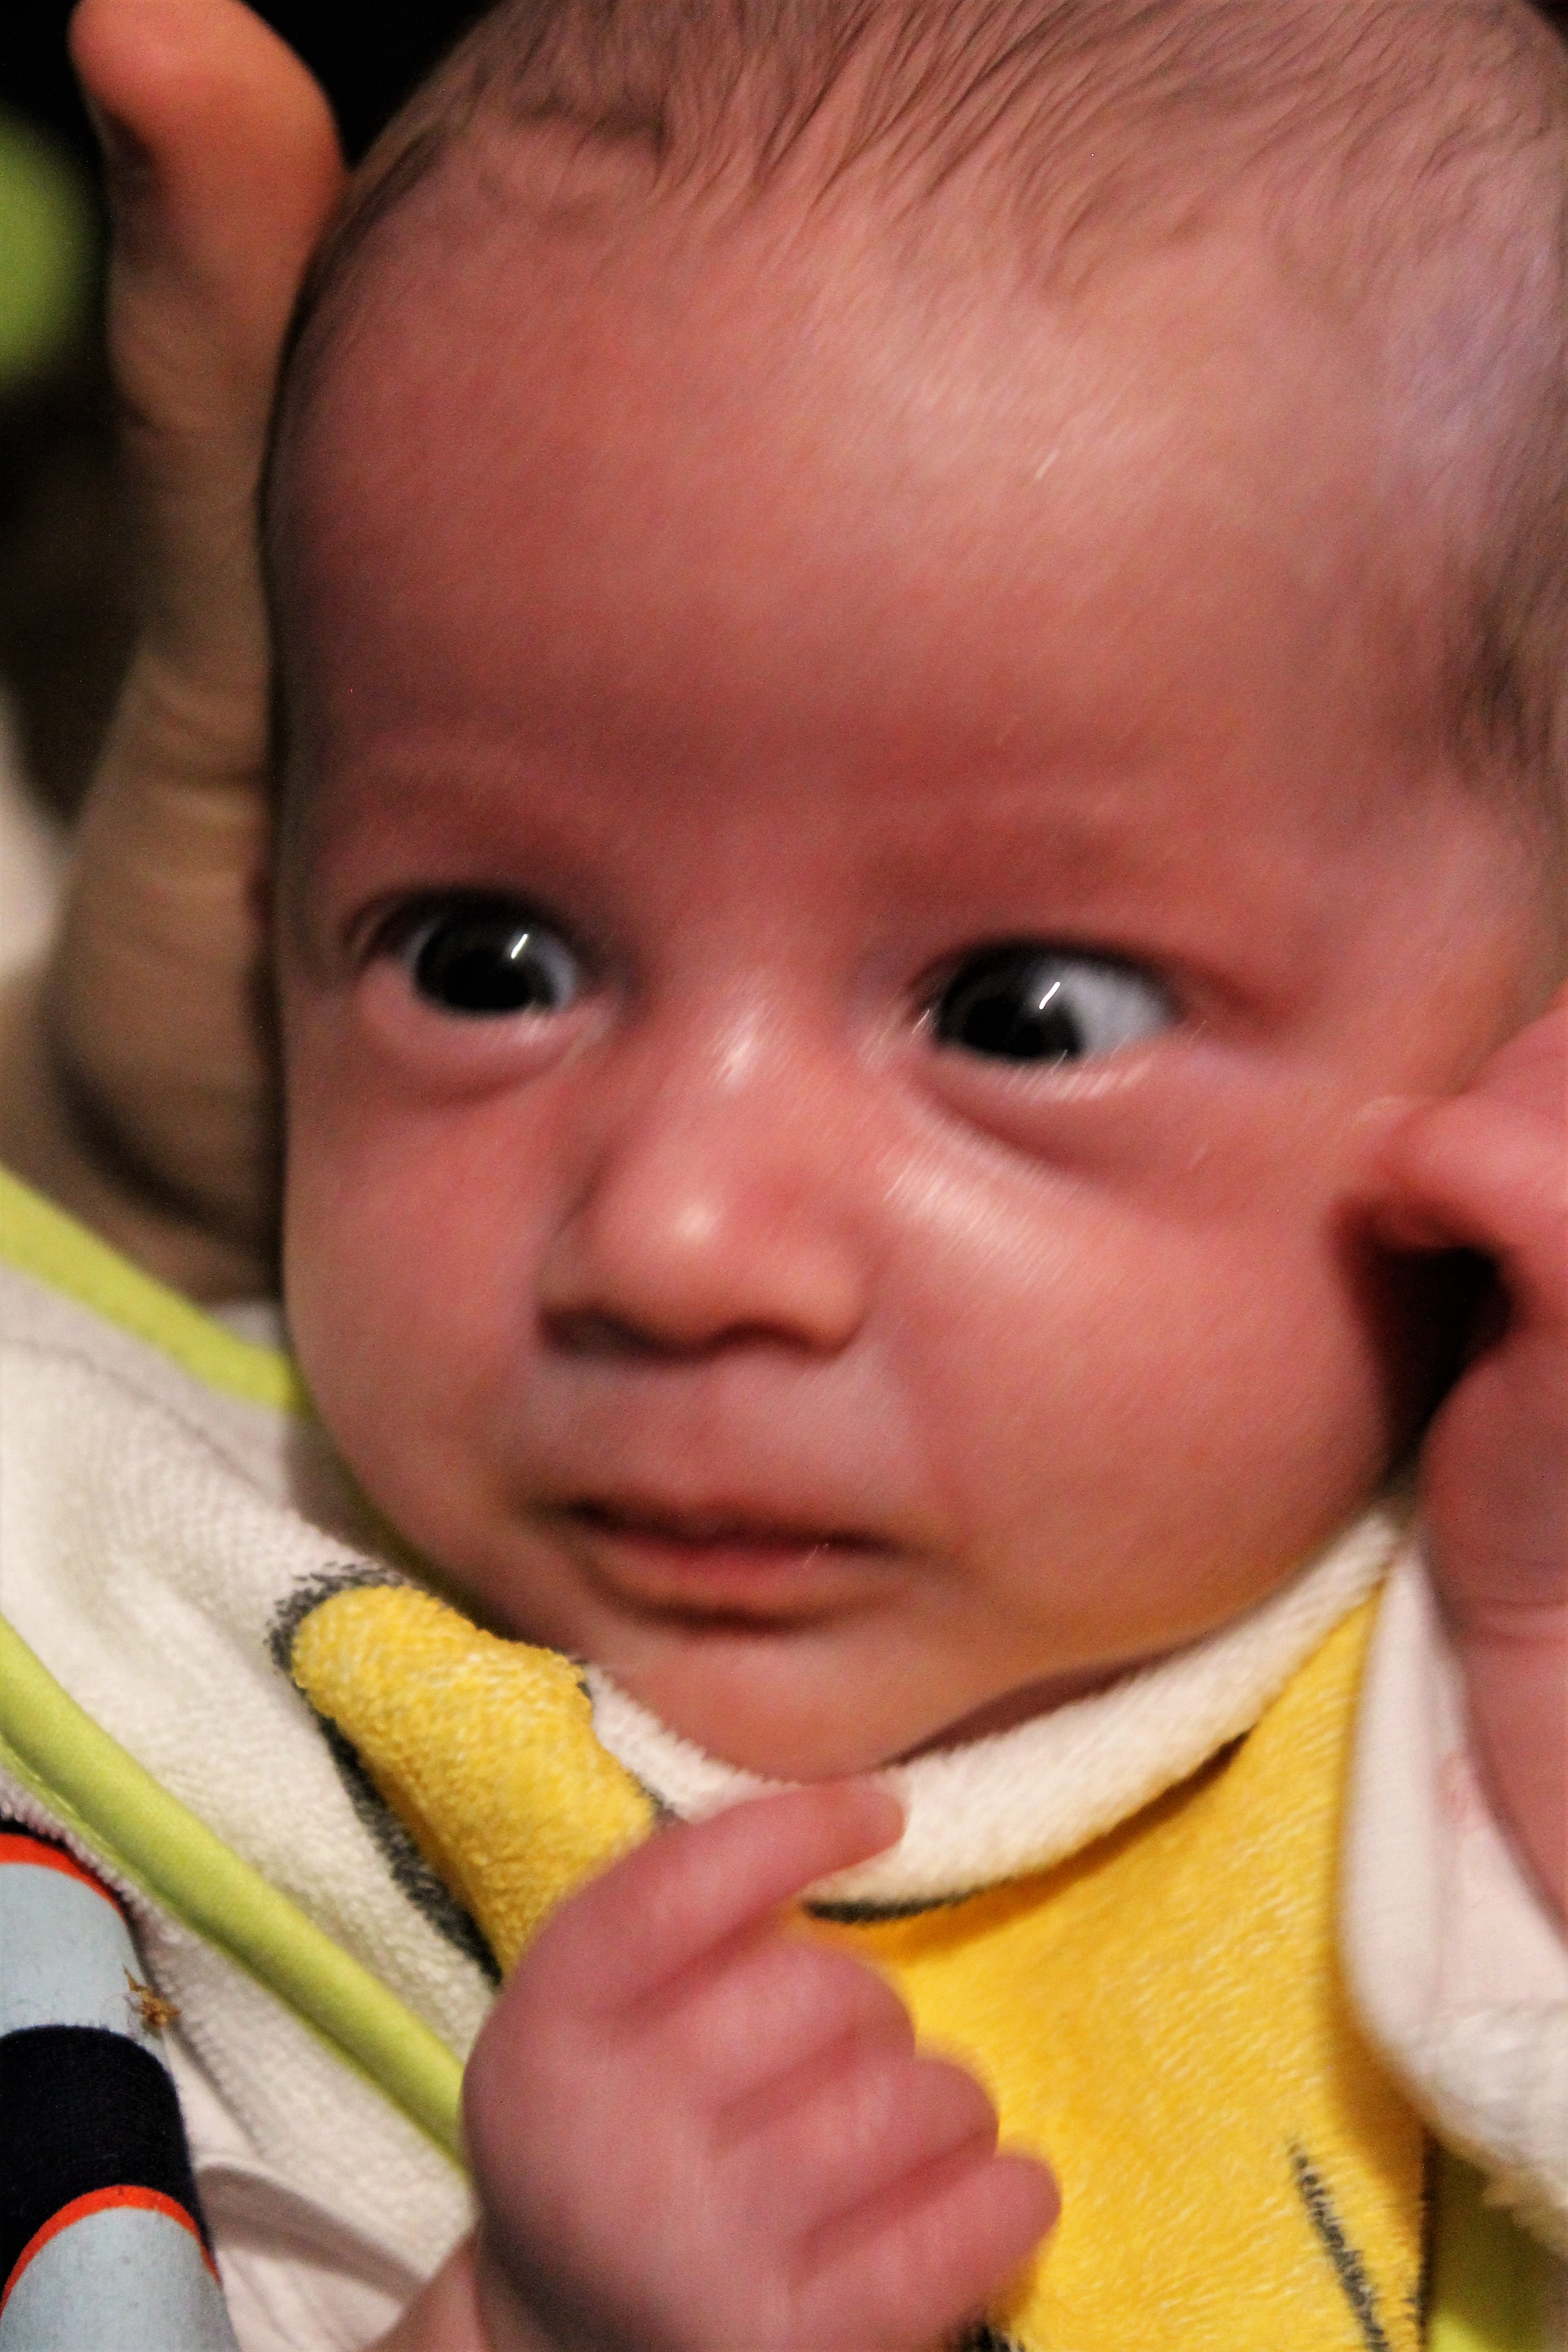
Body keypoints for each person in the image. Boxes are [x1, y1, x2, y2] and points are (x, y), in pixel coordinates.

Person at [1, 2, 1564, 2348]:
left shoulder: (1487, 1648)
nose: (673, 1237)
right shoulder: (145, 1652)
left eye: (1023, 1015)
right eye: (488, 961)